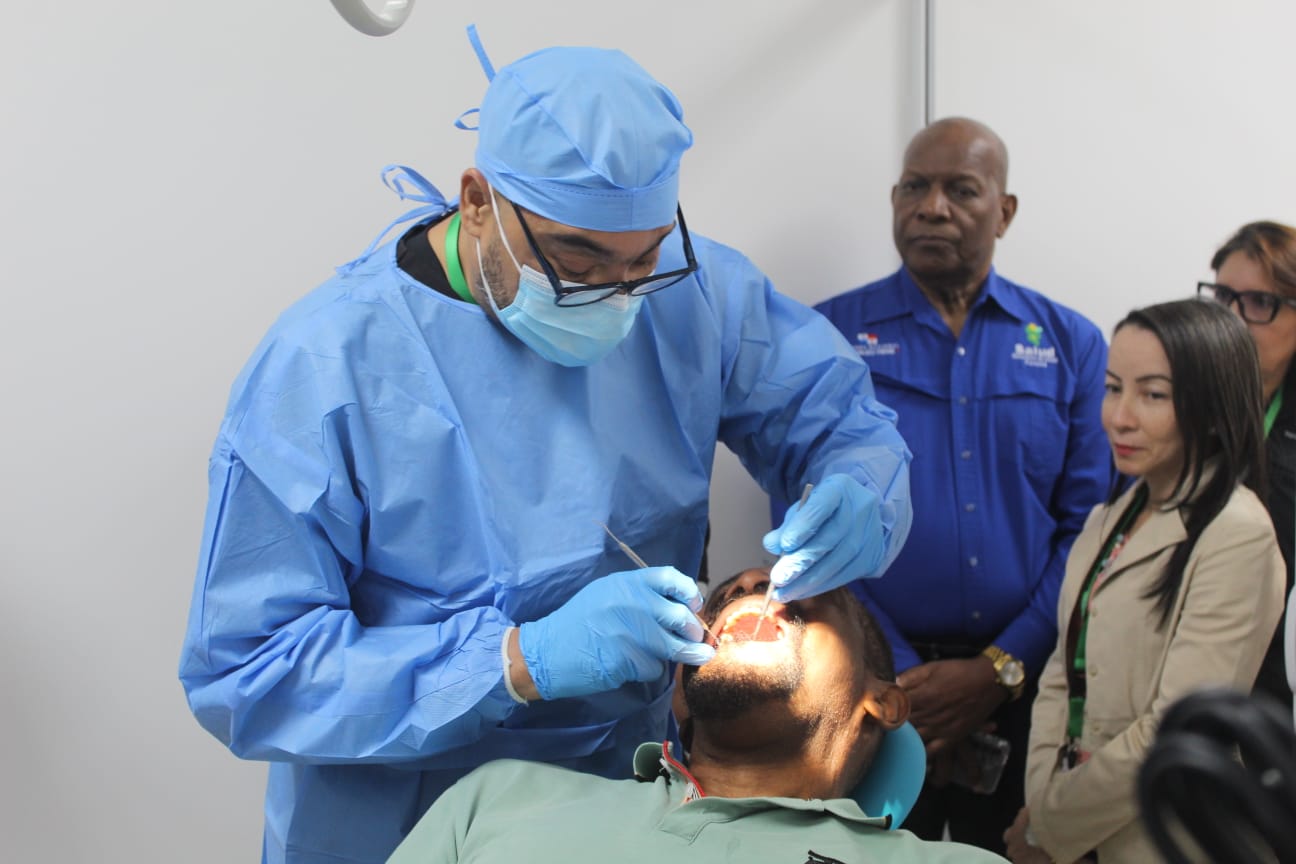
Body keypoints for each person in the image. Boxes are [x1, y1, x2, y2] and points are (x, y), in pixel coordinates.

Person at [177, 30, 913, 864]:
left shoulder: (694, 295)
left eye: (644, 261)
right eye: (579, 260)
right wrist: (518, 664)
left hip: (621, 811)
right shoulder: (326, 370)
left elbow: (838, 416)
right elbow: (250, 677)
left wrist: (861, 484)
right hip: (397, 824)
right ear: (478, 201)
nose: (620, 297)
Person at [773, 117, 1110, 853]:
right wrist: (901, 672)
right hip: (873, 686)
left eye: (961, 190)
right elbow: (801, 517)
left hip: (1025, 686)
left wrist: (999, 669)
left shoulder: (1070, 344)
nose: (933, 207)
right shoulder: (829, 334)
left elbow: (1088, 527)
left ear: (1005, 210)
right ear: (895, 198)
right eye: (915, 188)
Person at [386, 568, 1006, 864]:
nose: (751, 588)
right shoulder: (499, 798)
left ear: (884, 701)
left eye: (804, 587)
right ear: (680, 698)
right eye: (727, 596)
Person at [1004, 299, 1286, 864]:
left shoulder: (1237, 533)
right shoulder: (1111, 516)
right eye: (1113, 388)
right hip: (1077, 822)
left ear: (1209, 407)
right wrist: (1043, 802)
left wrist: (1051, 829)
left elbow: (1181, 727)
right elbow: (1061, 675)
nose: (1120, 416)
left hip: (1168, 832)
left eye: (1152, 394)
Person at [1198, 220, 1296, 709]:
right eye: (1223, 297)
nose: (1234, 318)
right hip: (1188, 663)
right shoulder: (1177, 402)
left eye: (1260, 303)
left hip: (1278, 682)